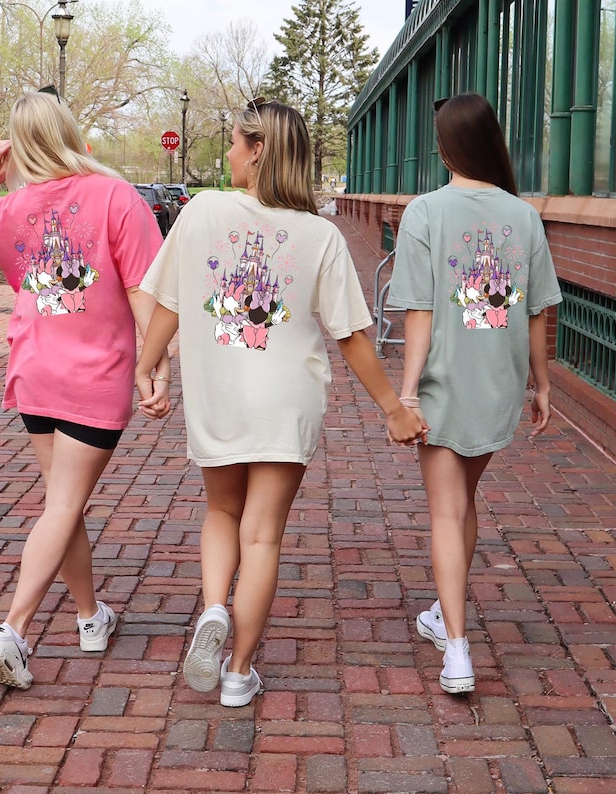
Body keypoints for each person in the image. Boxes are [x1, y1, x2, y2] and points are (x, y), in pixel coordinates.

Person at [134, 98, 425, 707]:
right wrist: (393, 408)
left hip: (219, 396)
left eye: (235, 143)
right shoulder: (320, 235)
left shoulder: (202, 210)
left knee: (222, 512)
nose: (229, 154)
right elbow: (351, 336)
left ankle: (215, 607)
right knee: (263, 537)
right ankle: (239, 673)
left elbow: (169, 303)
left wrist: (148, 364)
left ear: (258, 149)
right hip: (286, 401)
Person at [0, 91, 170, 689]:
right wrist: (157, 363)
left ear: (18, 146)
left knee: (63, 504)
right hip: (95, 375)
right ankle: (12, 630)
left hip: (35, 370)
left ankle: (91, 616)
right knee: (64, 504)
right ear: (68, 131)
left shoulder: (10, 207)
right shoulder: (115, 195)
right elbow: (145, 288)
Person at [388, 92, 563, 694]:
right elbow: (538, 313)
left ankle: (458, 650)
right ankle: (444, 614)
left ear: (445, 147)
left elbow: (418, 311)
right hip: (498, 384)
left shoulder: (425, 212)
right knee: (463, 500)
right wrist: (542, 385)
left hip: (442, 383)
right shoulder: (524, 216)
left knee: (446, 509)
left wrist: (407, 394)